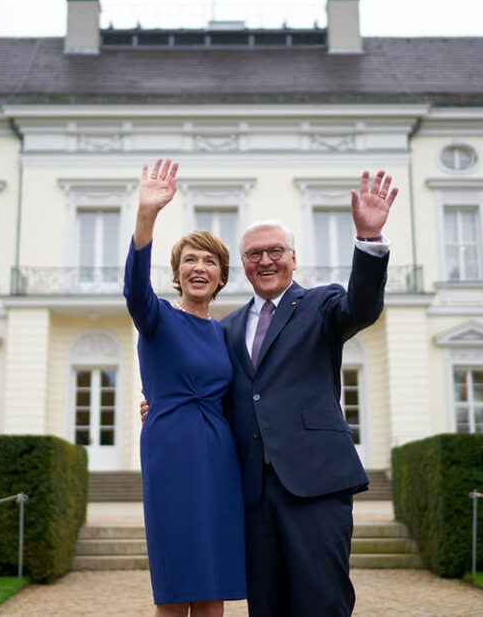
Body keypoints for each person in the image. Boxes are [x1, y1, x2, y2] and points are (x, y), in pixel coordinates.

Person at [143, 168, 398, 616]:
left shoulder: (321, 305)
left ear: (293, 258)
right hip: (251, 492)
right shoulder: (225, 328)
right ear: (241, 265)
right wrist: (164, 405)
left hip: (315, 484)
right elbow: (213, 392)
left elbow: (363, 305)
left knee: (323, 602)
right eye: (254, 254)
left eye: (275, 251)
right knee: (267, 606)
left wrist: (369, 240)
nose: (265, 261)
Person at [124, 158, 246, 616]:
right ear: (177, 273)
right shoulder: (157, 317)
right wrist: (147, 215)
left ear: (220, 276)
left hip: (219, 457)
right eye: (190, 260)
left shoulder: (225, 334)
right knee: (176, 589)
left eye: (209, 261)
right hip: (171, 449)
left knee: (213, 590)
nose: (199, 267)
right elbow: (134, 289)